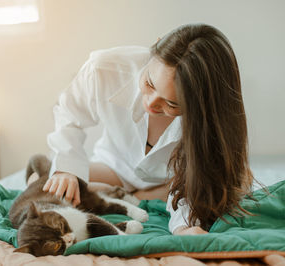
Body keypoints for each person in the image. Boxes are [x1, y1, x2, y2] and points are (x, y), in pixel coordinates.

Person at [39, 23, 254, 235]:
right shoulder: (104, 68)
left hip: (173, 180)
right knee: (46, 180)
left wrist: (183, 228)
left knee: (233, 186)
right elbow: (69, 114)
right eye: (149, 83)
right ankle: (137, 195)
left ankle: (132, 195)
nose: (151, 104)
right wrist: (66, 169)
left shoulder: (210, 118)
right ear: (155, 47)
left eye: (171, 104)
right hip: (113, 167)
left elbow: (192, 188)